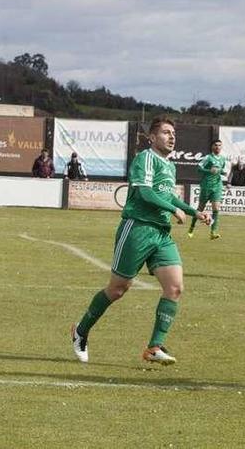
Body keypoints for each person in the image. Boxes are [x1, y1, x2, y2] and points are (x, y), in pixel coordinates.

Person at [70, 118, 211, 365]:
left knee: (175, 288)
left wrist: (193, 212)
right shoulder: (145, 158)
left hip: (161, 234)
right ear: (152, 138)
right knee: (117, 289)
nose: (172, 136)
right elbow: (145, 193)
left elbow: (170, 197)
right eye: (166, 132)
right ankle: (80, 331)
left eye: (173, 133)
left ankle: (154, 347)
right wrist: (172, 209)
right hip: (137, 228)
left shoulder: (169, 165)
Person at [188, 139, 226, 240]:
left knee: (216, 209)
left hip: (217, 186)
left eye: (219, 145)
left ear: (221, 147)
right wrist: (209, 170)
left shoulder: (223, 159)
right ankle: (192, 227)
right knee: (200, 208)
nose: (218, 147)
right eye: (216, 145)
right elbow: (199, 168)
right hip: (206, 186)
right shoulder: (208, 158)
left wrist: (222, 172)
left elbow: (221, 170)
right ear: (212, 147)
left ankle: (213, 232)